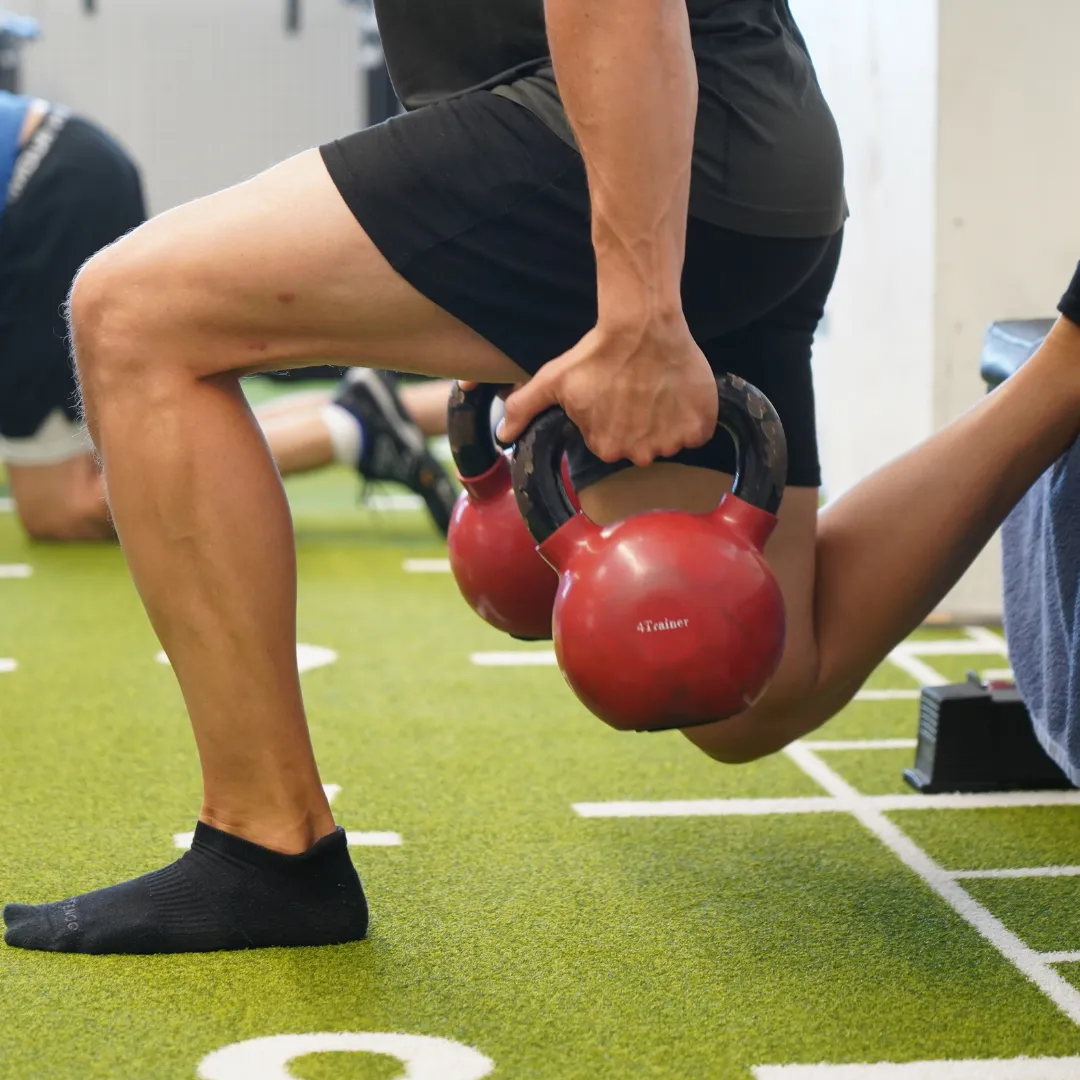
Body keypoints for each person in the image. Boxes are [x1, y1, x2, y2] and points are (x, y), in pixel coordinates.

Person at [3, 0, 1077, 957]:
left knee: (134, 313)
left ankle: (266, 845)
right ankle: (1065, 375)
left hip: (616, 136)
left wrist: (642, 309)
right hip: (742, 147)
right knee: (758, 688)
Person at [0, 91, 457, 540]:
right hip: (63, 157)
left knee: (62, 505)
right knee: (119, 448)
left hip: (39, 192)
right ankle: (427, 408)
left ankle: (350, 429)